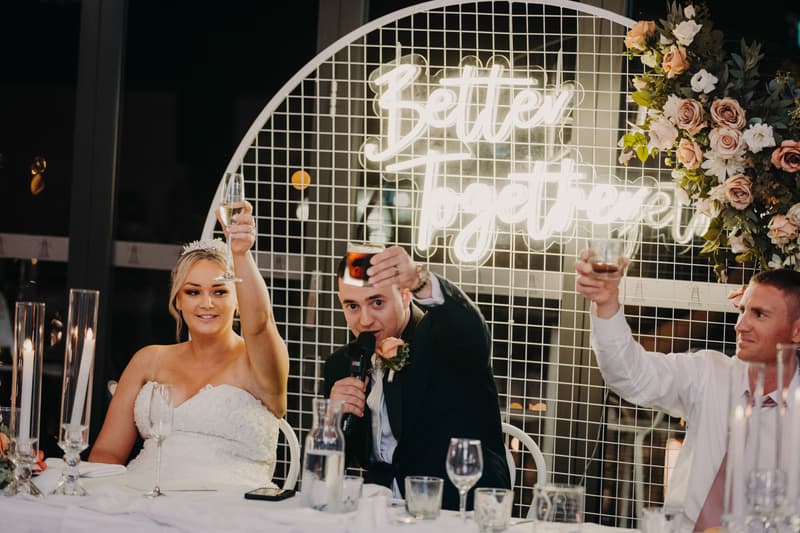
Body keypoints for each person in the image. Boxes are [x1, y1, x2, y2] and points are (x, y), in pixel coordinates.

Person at [575, 253, 800, 532]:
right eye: (742, 310)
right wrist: (607, 304)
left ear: (796, 331)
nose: (740, 324)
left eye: (759, 314)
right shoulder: (708, 372)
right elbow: (630, 375)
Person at [89, 200, 289, 490]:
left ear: (237, 300)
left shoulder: (256, 363)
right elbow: (106, 454)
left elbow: (260, 325)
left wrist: (241, 254)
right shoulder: (149, 360)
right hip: (139, 499)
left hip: (228, 508)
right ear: (178, 300)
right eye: (193, 292)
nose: (206, 303)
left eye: (220, 291)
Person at [323, 245, 510, 510]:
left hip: (456, 506)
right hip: (381, 509)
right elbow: (337, 463)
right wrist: (334, 420)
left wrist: (421, 280)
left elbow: (473, 334)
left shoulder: (443, 339)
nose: (365, 320)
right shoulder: (340, 366)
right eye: (352, 306)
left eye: (377, 302)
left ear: (405, 294)